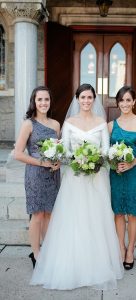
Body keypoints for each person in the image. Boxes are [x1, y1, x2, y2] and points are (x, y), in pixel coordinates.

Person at [30, 83, 124, 290]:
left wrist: (96, 160)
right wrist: (74, 159)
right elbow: (63, 151)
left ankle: (96, 263)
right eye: (83, 98)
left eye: (90, 97)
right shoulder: (69, 122)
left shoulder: (101, 122)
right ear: (77, 99)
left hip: (96, 178)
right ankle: (71, 263)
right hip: (74, 177)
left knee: (95, 219)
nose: (86, 101)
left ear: (94, 99)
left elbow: (106, 150)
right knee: (75, 218)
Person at [14, 86, 61, 267]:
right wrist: (42, 163)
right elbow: (18, 154)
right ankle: (36, 253)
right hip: (35, 174)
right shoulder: (29, 124)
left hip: (53, 175)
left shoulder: (56, 125)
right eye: (39, 100)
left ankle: (47, 250)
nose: (43, 103)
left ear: (50, 102)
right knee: (38, 215)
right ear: (34, 102)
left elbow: (59, 150)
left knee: (49, 214)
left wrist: (57, 162)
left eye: (46, 99)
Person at [108, 86, 136, 270]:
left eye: (128, 100)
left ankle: (131, 250)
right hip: (116, 173)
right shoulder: (111, 125)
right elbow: (106, 151)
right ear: (117, 103)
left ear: (134, 102)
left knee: (132, 213)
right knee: (118, 212)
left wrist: (132, 163)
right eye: (121, 100)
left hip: (134, 173)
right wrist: (113, 161)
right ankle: (120, 247)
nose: (125, 104)